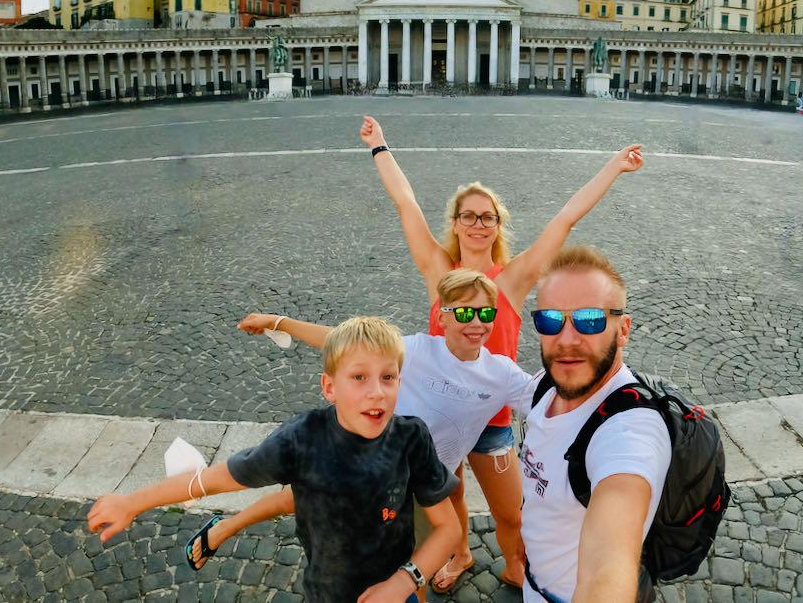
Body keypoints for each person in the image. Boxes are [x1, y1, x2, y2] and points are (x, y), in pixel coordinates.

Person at [359, 114, 643, 591]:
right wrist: (379, 146)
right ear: (455, 223)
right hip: (436, 420)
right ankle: (462, 554)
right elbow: (405, 202)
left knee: (511, 512)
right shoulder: (439, 272)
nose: (477, 223)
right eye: (468, 215)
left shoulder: (511, 279)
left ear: (496, 226)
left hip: (491, 423)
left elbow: (565, 219)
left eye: (486, 216)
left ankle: (516, 563)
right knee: (447, 500)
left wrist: (612, 167)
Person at [188, 270, 539, 588]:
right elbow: (338, 340)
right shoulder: (415, 350)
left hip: (418, 486)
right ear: (441, 318)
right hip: (366, 454)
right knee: (294, 497)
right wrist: (280, 322)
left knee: (409, 569)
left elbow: (553, 401)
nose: (476, 322)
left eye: (486, 313)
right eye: (464, 312)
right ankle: (223, 528)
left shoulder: (502, 374)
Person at [87, 317, 460, 603]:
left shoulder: (412, 437)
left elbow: (449, 529)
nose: (376, 392)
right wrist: (133, 501)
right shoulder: (301, 439)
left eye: (388, 377)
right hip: (327, 593)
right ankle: (223, 528)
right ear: (329, 387)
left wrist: (405, 580)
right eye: (359, 377)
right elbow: (212, 479)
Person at [521, 245, 671, 603]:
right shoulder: (545, 384)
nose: (567, 339)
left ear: (624, 329)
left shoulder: (630, 432)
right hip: (533, 582)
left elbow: (609, 567)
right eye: (550, 320)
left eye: (590, 319)